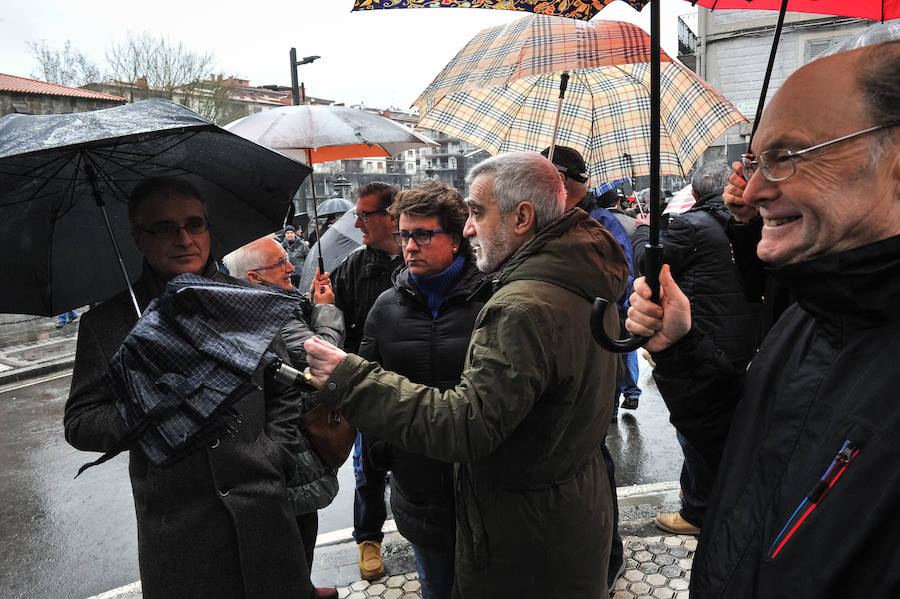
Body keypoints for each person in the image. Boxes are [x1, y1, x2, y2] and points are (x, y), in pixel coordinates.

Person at [625, 43, 900, 597]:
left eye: (787, 156)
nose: (751, 191)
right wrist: (680, 352)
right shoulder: (816, 309)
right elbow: (756, 467)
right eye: (754, 162)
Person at [306, 152, 629, 598]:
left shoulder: (519, 306)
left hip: (524, 531)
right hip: (548, 515)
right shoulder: (577, 281)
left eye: (476, 212)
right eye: (405, 236)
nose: (470, 227)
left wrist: (351, 379)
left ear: (522, 217)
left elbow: (466, 426)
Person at [64, 177, 315, 599]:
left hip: (267, 522)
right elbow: (81, 422)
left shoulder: (245, 302)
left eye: (194, 224)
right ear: (138, 238)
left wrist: (276, 453)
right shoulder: (109, 324)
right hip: (180, 541)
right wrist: (147, 403)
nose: (184, 238)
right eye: (164, 228)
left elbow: (284, 388)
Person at [359, 180, 489, 599]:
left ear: (454, 239)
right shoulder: (386, 308)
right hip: (418, 488)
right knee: (436, 586)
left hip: (486, 488)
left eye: (422, 234)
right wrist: (385, 450)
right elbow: (367, 386)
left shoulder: (493, 299)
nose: (409, 245)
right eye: (403, 234)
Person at [633, 162, 762, 537]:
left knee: (696, 425)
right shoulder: (740, 227)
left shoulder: (691, 225)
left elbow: (648, 263)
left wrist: (645, 231)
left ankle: (697, 507)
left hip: (703, 339)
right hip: (745, 342)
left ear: (695, 191)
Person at [222, 236, 344, 598]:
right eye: (280, 263)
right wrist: (325, 311)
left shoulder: (266, 305)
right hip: (287, 447)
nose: (291, 266)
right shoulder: (263, 315)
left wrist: (307, 302)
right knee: (296, 535)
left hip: (282, 448)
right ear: (255, 279)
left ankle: (302, 587)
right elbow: (324, 360)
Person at [541, 145, 632, 590]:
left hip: (594, 350)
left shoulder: (602, 224)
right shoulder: (553, 219)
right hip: (561, 351)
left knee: (592, 454)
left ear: (560, 180)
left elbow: (619, 286)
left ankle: (607, 555)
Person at [329, 181, 402, 580]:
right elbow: (331, 320)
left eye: (364, 214)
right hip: (367, 385)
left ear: (390, 216)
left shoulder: (417, 257)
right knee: (368, 467)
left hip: (416, 381)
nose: (356, 222)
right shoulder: (355, 266)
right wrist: (322, 305)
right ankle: (368, 540)